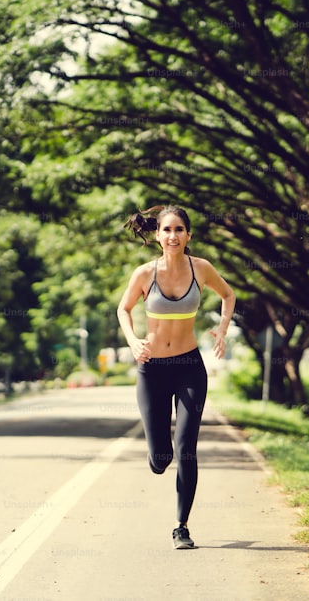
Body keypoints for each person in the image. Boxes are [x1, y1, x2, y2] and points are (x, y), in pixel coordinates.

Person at [117, 205, 236, 549]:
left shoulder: (201, 269)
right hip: (152, 368)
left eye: (179, 230)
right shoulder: (144, 274)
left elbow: (228, 295)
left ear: (188, 235)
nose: (173, 236)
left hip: (188, 367)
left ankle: (181, 526)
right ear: (157, 234)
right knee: (161, 459)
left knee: (187, 449)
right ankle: (158, 456)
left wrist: (223, 329)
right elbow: (123, 309)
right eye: (167, 230)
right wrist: (133, 341)